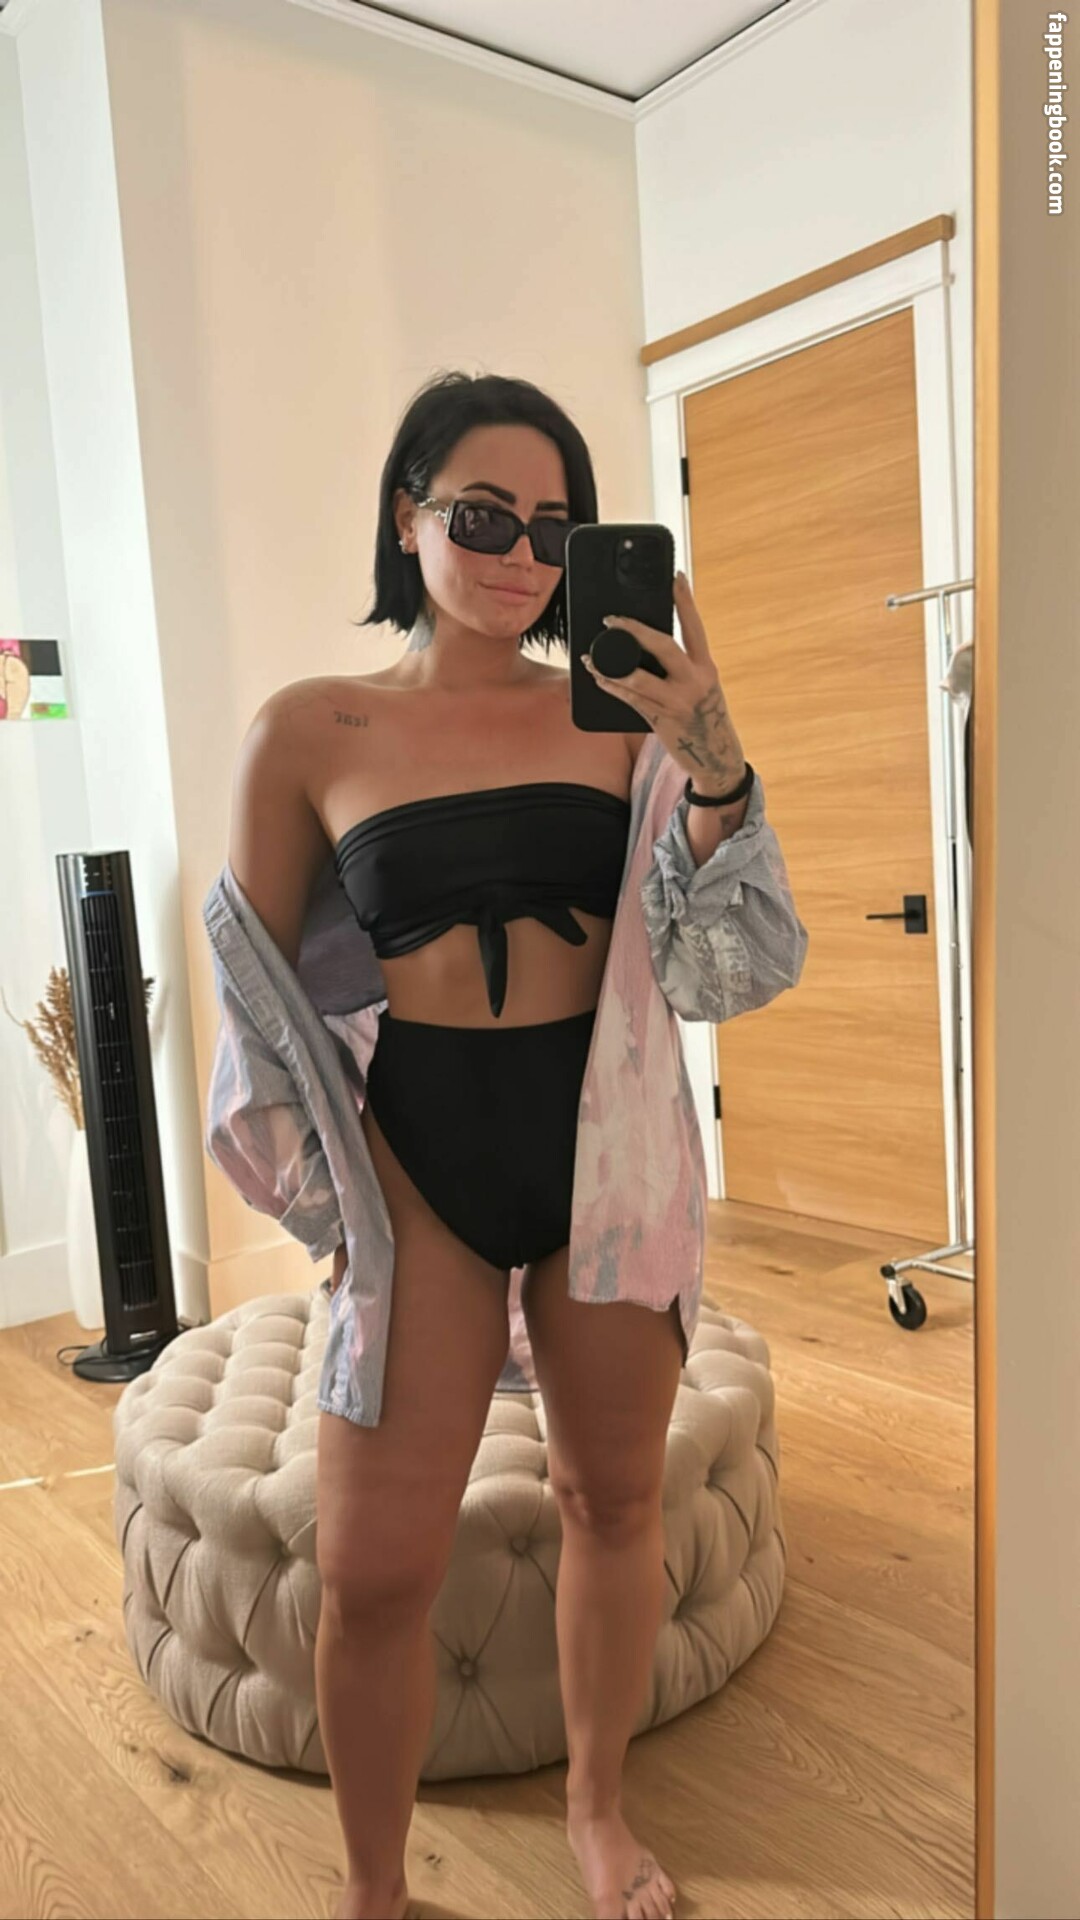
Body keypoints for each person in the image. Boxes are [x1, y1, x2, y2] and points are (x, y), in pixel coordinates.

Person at [223, 371, 777, 1920]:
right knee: (373, 1575)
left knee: (615, 1504)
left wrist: (714, 754)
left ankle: (597, 1813)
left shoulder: (621, 722)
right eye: (481, 517)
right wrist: (322, 1200)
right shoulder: (309, 730)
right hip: (418, 1174)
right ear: (407, 517)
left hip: (609, 1153)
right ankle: (375, 1890)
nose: (521, 555)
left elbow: (728, 964)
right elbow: (259, 1000)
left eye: (554, 525)